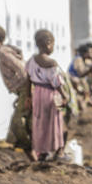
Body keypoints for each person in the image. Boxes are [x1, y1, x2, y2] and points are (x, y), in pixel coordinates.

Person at [0, 25, 31, 151]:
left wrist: (27, 95)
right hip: (24, 91)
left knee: (17, 124)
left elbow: (23, 71)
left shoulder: (3, 53)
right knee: (20, 125)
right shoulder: (5, 52)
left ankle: (34, 153)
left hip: (26, 91)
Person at [27, 30, 68, 162]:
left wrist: (29, 95)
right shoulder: (51, 63)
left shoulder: (32, 61)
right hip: (50, 94)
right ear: (48, 44)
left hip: (37, 94)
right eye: (53, 44)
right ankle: (58, 152)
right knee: (54, 122)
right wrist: (64, 95)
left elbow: (27, 78)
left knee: (40, 123)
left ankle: (42, 152)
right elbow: (56, 82)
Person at [68, 43, 92, 111]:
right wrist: (90, 69)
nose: (91, 53)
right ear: (84, 53)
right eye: (89, 52)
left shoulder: (83, 59)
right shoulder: (78, 59)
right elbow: (81, 73)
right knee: (84, 91)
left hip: (79, 81)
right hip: (74, 81)